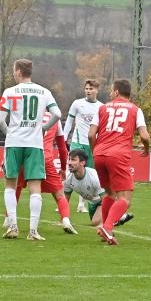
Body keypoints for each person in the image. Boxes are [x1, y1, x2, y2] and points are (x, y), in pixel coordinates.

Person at [0, 59, 61, 241]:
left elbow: (0, 120)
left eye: (13, 71)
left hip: (14, 142)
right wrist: (43, 128)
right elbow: (57, 114)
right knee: (35, 188)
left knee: (11, 185)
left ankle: (13, 226)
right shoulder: (44, 91)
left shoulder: (9, 92)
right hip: (34, 143)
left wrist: (11, 133)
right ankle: (33, 232)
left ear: (18, 72)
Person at [89, 79, 150, 245]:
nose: (110, 93)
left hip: (99, 154)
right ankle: (107, 227)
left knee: (110, 193)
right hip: (118, 155)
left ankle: (105, 227)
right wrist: (146, 148)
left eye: (111, 90)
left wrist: (95, 151)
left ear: (116, 92)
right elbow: (144, 136)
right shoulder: (135, 110)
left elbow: (91, 134)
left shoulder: (102, 108)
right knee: (125, 198)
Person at [11, 111, 77, 234]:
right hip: (44, 158)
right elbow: (62, 148)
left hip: (25, 157)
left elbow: (15, 137)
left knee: (16, 187)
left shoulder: (27, 115)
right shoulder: (55, 119)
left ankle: (9, 220)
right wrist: (63, 168)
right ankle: (66, 220)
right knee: (59, 194)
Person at [64, 149, 133, 227]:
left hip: (103, 200)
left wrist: (102, 224)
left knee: (96, 222)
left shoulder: (94, 177)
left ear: (82, 163)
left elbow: (106, 197)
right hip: (92, 202)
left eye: (73, 160)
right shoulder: (68, 178)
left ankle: (116, 216)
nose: (69, 163)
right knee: (95, 221)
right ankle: (120, 217)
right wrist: (64, 220)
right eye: (69, 159)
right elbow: (65, 199)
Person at [63, 79, 103, 213]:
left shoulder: (101, 107)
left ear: (97, 90)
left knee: (89, 173)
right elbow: (69, 122)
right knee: (71, 170)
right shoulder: (77, 104)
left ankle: (81, 204)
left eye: (91, 89)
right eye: (86, 88)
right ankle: (64, 203)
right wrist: (64, 138)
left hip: (92, 144)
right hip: (78, 142)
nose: (88, 91)